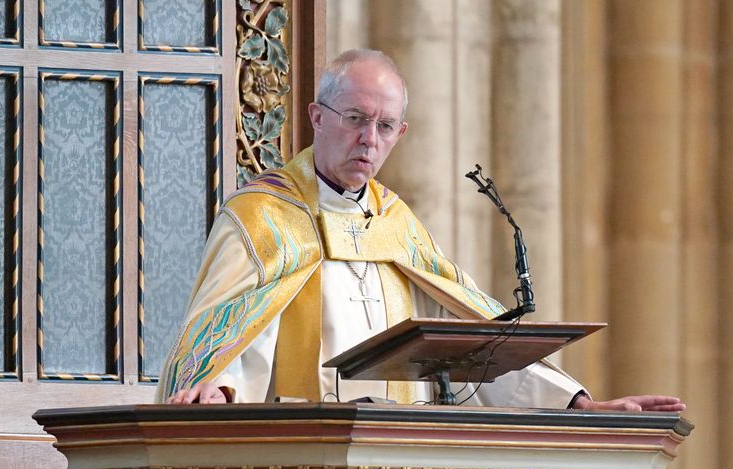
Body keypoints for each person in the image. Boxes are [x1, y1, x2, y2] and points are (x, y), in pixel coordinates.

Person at [158, 49, 685, 414]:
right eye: (356, 118)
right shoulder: (263, 217)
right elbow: (235, 339)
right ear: (317, 117)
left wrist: (577, 404)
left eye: (385, 126)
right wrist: (219, 387)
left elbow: (473, 342)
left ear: (400, 133)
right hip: (304, 468)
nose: (369, 139)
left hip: (400, 464)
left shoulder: (398, 226)